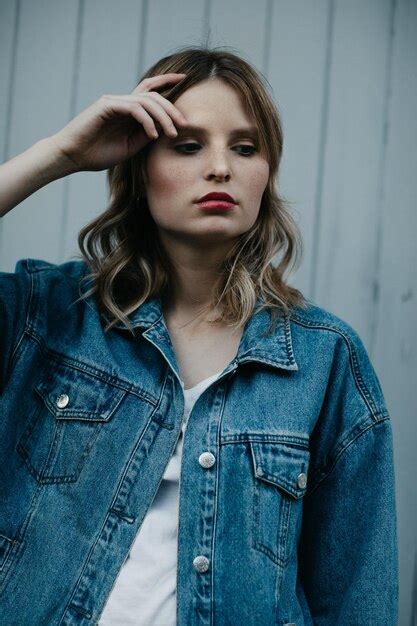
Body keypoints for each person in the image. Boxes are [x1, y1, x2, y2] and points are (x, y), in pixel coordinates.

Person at [0, 46, 398, 625]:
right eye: (188, 146)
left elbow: (358, 595)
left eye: (245, 147)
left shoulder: (325, 358)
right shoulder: (47, 313)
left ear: (267, 174)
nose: (220, 168)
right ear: (139, 172)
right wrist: (57, 154)